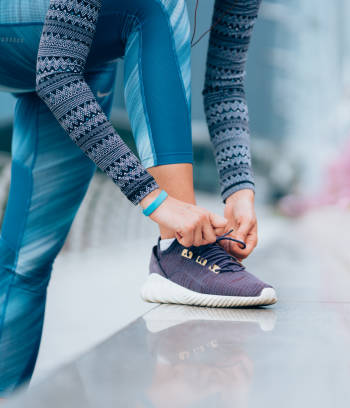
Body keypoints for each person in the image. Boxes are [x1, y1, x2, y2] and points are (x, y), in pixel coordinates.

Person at [0, 0, 275, 396]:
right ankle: (178, 250)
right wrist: (156, 201)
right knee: (155, 6)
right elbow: (57, 70)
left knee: (26, 263)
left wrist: (240, 189)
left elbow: (225, 82)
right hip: (32, 35)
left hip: (79, 54)